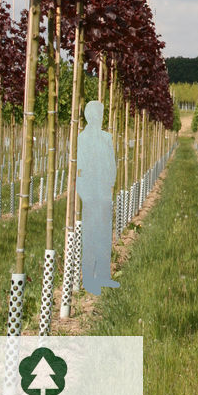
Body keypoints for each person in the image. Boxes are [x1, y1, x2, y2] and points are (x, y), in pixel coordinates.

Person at [76, 100, 120, 294]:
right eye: (96, 114)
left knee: (104, 233)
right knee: (90, 234)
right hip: (90, 192)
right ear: (89, 116)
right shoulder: (82, 139)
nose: (99, 118)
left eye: (101, 115)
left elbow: (111, 164)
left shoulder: (106, 138)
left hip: (103, 192)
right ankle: (88, 279)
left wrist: (110, 184)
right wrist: (83, 192)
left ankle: (103, 276)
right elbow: (79, 167)